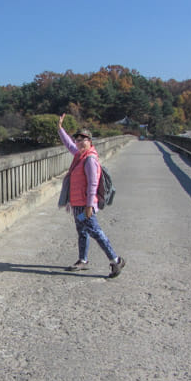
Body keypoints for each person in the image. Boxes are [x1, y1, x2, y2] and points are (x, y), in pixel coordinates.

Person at [58, 114, 126, 278]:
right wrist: (60, 128)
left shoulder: (89, 159)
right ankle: (83, 260)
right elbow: (68, 144)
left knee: (96, 232)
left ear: (90, 142)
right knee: (82, 232)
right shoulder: (78, 155)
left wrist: (89, 206)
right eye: (78, 139)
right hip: (77, 203)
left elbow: (93, 184)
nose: (79, 142)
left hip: (85, 204)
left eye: (83, 139)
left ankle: (116, 260)